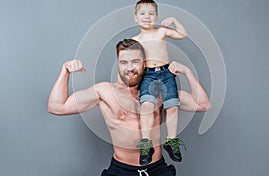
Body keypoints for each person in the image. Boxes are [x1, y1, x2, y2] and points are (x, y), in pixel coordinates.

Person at [48, 39, 211, 176]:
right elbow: (57, 107)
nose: (129, 68)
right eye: (124, 62)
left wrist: (188, 72)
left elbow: (203, 104)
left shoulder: (159, 92)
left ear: (144, 63)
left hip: (157, 169)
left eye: (135, 61)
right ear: (118, 63)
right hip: (122, 170)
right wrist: (65, 71)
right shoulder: (104, 92)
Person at [132, 0, 188, 165]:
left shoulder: (161, 32)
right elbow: (133, 61)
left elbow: (183, 34)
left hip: (165, 72)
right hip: (148, 74)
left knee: (172, 106)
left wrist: (174, 21)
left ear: (156, 17)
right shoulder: (135, 40)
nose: (147, 17)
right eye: (142, 13)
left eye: (151, 13)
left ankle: (171, 141)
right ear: (135, 17)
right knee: (147, 106)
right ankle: (146, 144)